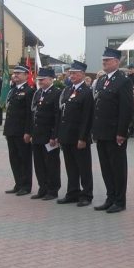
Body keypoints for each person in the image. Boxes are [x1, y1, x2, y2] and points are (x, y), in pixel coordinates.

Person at [92, 48, 134, 213]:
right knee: (106, 168)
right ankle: (110, 197)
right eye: (103, 60)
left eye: (108, 60)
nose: (104, 63)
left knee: (117, 168)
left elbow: (126, 109)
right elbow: (97, 107)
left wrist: (122, 132)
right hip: (101, 132)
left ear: (117, 62)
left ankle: (119, 200)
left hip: (114, 133)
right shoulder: (101, 81)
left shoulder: (124, 81)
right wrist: (94, 131)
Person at [57, 61, 94, 206]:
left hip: (79, 136)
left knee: (83, 167)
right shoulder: (67, 90)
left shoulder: (87, 91)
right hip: (66, 135)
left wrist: (83, 137)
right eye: (70, 73)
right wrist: (59, 135)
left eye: (74, 73)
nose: (71, 76)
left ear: (83, 74)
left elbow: (87, 117)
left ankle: (86, 194)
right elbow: (62, 114)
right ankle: (72, 192)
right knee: (70, 166)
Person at [26, 67, 62, 200]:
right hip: (37, 134)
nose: (40, 82)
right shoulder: (38, 93)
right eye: (39, 80)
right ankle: (43, 187)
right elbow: (33, 114)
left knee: (51, 164)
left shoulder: (56, 93)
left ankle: (52, 190)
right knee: (39, 163)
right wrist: (31, 133)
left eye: (42, 79)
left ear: (51, 79)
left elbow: (57, 116)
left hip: (48, 136)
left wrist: (54, 136)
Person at [3, 65, 35, 196]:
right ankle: (18, 183)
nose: (15, 75)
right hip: (11, 130)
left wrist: (28, 132)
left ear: (26, 76)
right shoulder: (13, 90)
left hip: (22, 131)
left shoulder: (29, 91)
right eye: (14, 73)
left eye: (19, 73)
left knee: (24, 159)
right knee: (14, 158)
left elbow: (30, 114)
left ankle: (26, 186)